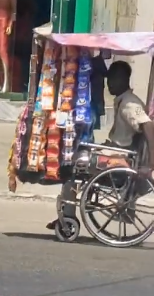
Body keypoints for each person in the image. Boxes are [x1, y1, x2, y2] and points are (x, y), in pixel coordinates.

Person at [46, 60, 154, 229]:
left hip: (120, 157)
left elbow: (147, 125)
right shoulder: (123, 100)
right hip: (116, 151)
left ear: (124, 79)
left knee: (76, 165)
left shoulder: (129, 104)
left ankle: (68, 216)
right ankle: (67, 214)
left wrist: (150, 164)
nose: (108, 84)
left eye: (112, 79)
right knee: (76, 156)